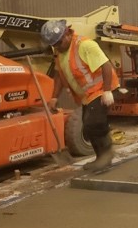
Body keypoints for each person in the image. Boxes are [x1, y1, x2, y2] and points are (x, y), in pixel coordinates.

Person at [42, 19, 119, 171]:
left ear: (67, 34)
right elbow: (59, 76)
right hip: (88, 95)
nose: (56, 47)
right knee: (88, 126)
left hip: (102, 89)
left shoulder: (84, 45)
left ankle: (107, 154)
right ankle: (101, 158)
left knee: (94, 122)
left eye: (58, 43)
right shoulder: (60, 53)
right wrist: (54, 97)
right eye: (53, 45)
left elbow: (106, 65)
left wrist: (107, 91)